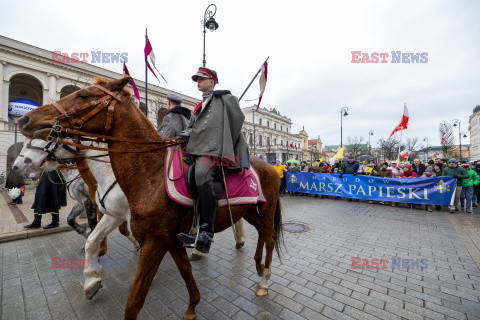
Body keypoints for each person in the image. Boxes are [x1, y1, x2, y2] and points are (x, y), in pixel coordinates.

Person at [176, 67, 250, 253]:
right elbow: (194, 127)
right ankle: (192, 225)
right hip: (199, 150)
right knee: (188, 172)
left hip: (217, 152)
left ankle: (206, 235)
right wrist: (186, 133)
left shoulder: (226, 98)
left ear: (213, 81)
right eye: (197, 80)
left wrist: (222, 142)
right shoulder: (198, 107)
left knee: (202, 173)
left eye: (202, 79)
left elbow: (237, 120)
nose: (198, 82)